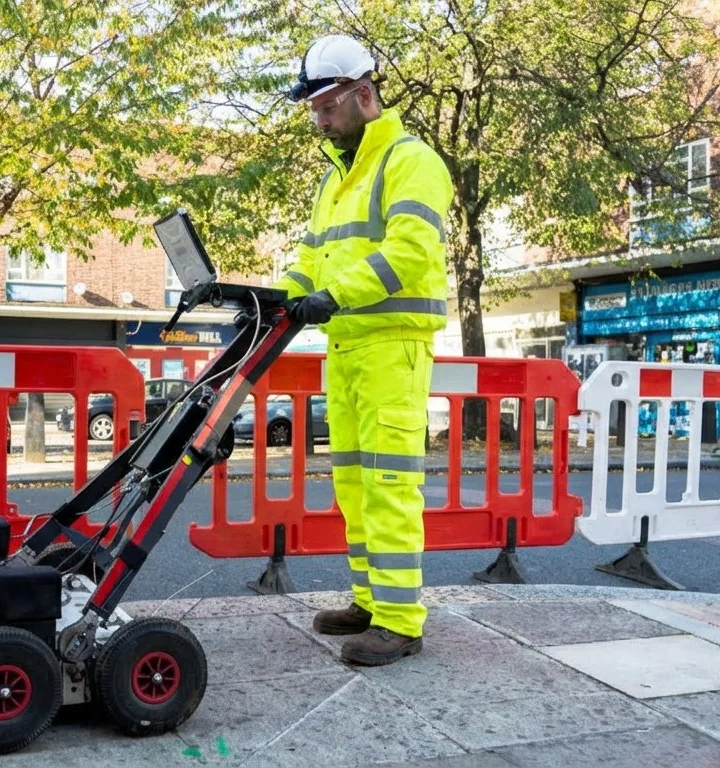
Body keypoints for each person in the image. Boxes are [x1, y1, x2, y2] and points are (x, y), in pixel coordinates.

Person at [275, 34, 452, 666]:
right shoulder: (337, 180)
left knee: (388, 485)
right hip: (347, 348)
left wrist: (333, 296)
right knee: (352, 483)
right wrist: (279, 300)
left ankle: (401, 621)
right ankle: (370, 602)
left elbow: (410, 252)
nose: (320, 120)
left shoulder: (411, 161)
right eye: (315, 110)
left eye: (328, 107)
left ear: (364, 95)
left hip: (393, 348)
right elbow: (310, 260)